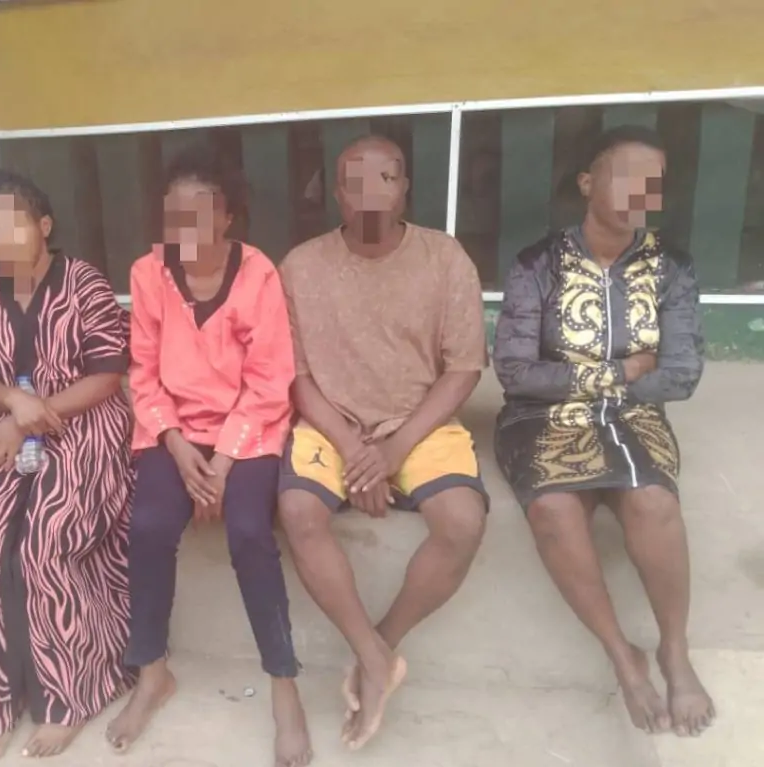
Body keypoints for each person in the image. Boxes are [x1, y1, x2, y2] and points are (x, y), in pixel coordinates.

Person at [492, 126, 714, 737]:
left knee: (652, 501)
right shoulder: (537, 265)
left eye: (653, 182)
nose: (640, 191)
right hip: (543, 417)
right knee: (555, 509)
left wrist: (604, 385)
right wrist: (621, 371)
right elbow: (514, 371)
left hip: (635, 414)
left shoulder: (672, 268)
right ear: (588, 183)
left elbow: (680, 374)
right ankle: (623, 653)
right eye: (626, 176)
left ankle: (673, 650)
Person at [277, 135, 489, 751]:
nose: (371, 194)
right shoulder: (300, 266)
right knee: (298, 510)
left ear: (405, 189)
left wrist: (393, 452)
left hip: (418, 422)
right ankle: (372, 657)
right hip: (332, 422)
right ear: (336, 194)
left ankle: (383, 645)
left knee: (463, 521)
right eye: (355, 182)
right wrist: (353, 449)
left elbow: (463, 369)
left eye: (386, 179)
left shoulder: (444, 257)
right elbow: (296, 377)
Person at [105, 146, 313, 767]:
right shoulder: (149, 273)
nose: (185, 227)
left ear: (227, 216)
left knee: (249, 529)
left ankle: (284, 687)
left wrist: (221, 462)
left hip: (247, 430)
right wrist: (174, 442)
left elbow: (270, 380)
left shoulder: (258, 274)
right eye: (174, 214)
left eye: (200, 213)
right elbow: (143, 373)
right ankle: (152, 673)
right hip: (172, 431)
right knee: (147, 526)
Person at [0, 170, 135, 760]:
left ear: (44, 226)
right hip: (5, 429)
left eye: (10, 228)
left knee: (44, 542)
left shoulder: (84, 282)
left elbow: (106, 377)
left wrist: (32, 413)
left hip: (83, 426)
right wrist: (13, 403)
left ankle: (69, 695)